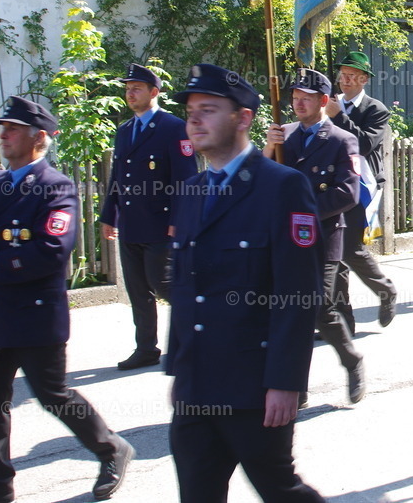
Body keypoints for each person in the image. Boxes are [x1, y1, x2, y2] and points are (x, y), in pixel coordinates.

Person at [166, 64, 327, 502]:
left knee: (281, 491)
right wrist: (177, 363)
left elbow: (298, 292)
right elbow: (185, 285)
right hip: (196, 388)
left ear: (243, 118)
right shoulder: (191, 190)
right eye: (191, 111)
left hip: (254, 387)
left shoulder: (282, 187)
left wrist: (286, 381)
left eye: (208, 110)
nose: (194, 119)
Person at [0, 96, 133, 503]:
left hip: (34, 314)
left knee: (53, 395)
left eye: (12, 129)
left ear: (37, 137)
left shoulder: (54, 186)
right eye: (2, 128)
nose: (3, 135)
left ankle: (112, 448)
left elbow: (53, 252)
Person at [264, 68, 366, 405]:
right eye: (294, 97)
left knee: (320, 306)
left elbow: (348, 193)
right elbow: (258, 181)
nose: (297, 103)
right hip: (285, 241)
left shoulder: (341, 139)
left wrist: (303, 213)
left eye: (305, 98)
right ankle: (297, 386)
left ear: (323, 101)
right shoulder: (283, 135)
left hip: (323, 236)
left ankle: (352, 361)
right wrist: (267, 149)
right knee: (290, 312)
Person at [100, 63, 198, 371]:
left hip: (161, 223)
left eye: (136, 89)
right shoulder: (125, 130)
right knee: (137, 290)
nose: (130, 94)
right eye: (127, 89)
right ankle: (146, 348)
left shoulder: (172, 127)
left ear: (153, 92)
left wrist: (180, 219)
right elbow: (117, 175)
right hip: (131, 223)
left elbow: (186, 178)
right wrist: (108, 214)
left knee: (165, 285)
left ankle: (200, 334)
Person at [326, 50, 398, 332]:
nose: (345, 80)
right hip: (334, 184)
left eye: (352, 76)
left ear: (364, 79)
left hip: (361, 186)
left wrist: (339, 117)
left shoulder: (376, 109)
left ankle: (386, 291)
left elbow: (365, 145)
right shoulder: (330, 105)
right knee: (334, 253)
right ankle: (342, 319)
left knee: (352, 249)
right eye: (343, 75)